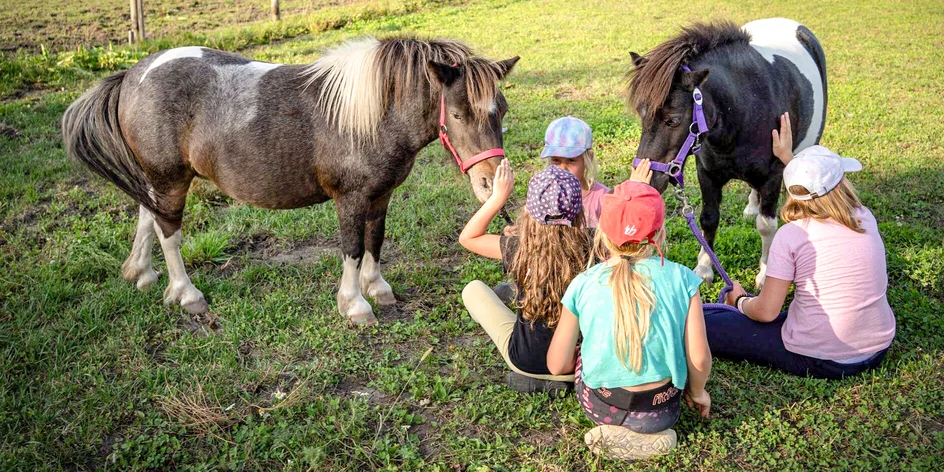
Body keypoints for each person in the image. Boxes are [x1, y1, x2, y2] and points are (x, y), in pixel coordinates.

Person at [706, 113, 896, 379]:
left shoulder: (793, 235)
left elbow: (766, 312)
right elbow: (815, 186)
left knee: (704, 323)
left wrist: (739, 300)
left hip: (822, 359)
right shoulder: (864, 215)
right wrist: (789, 158)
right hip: (878, 347)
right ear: (842, 184)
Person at [546, 168, 712, 461]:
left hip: (603, 407)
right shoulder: (684, 279)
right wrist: (698, 393)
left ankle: (615, 431)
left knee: (583, 352)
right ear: (660, 232)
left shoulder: (583, 283)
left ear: (602, 234)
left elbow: (557, 364)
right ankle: (654, 435)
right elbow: (698, 358)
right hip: (663, 409)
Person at [460, 161, 593, 395]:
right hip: (579, 363)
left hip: (525, 361)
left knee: (473, 289)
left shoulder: (519, 248)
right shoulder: (595, 244)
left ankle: (536, 380)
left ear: (529, 211)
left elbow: (468, 238)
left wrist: (497, 198)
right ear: (579, 208)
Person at [540, 116, 610, 228]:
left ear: (588, 158)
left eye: (571, 160)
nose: (562, 168)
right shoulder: (543, 194)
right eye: (556, 160)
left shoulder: (604, 198)